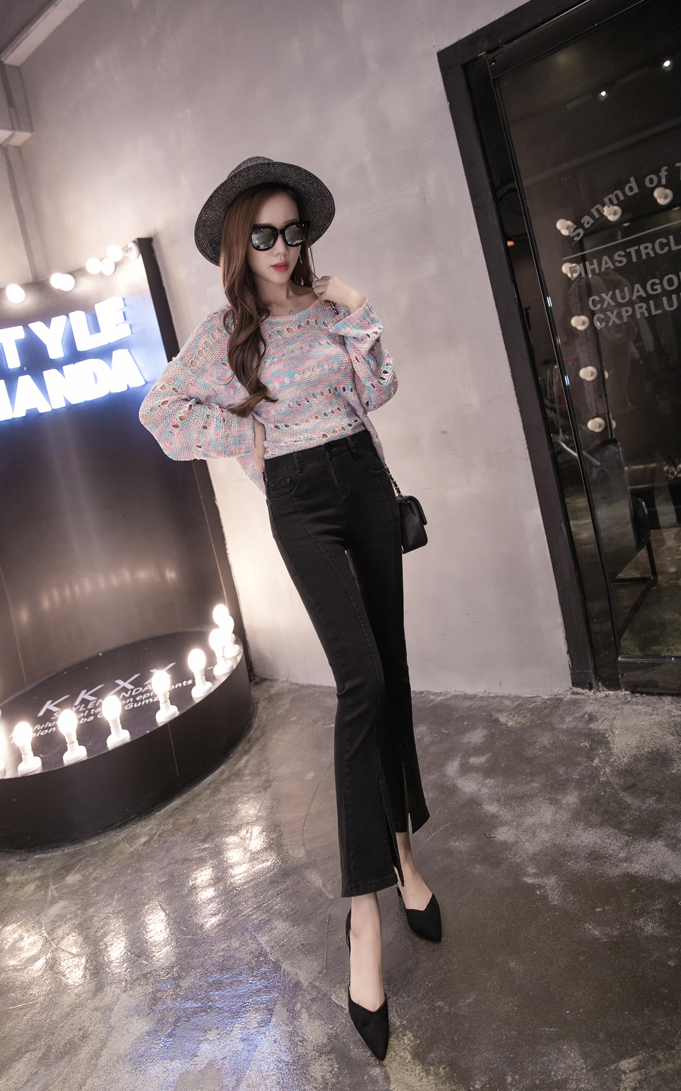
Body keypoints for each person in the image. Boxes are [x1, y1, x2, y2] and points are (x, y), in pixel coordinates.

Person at [139, 156, 441, 1061]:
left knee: (392, 674)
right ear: (241, 245)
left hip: (363, 484)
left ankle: (406, 858)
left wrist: (359, 306)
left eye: (292, 230)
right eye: (264, 233)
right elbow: (161, 412)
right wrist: (247, 434)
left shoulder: (329, 310)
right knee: (362, 683)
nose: (281, 247)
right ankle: (363, 913)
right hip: (301, 501)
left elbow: (377, 391)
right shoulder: (224, 334)